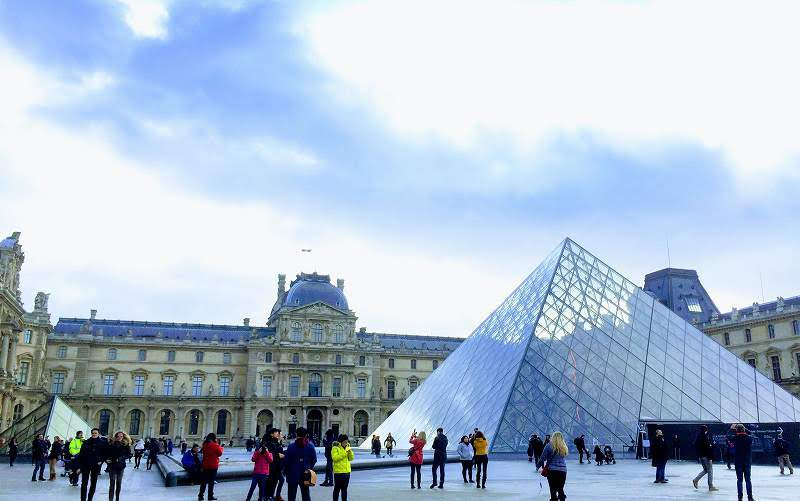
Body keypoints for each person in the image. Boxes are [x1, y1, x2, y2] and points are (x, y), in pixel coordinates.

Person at [283, 427, 317, 501]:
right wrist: (309, 467)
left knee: (291, 495)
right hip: (306, 473)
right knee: (306, 494)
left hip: (293, 473)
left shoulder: (291, 446)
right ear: (306, 435)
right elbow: (314, 459)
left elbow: (286, 461)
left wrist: (286, 471)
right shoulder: (310, 446)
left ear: (296, 434)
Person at [536, 431, 568, 501]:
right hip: (563, 471)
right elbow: (565, 455)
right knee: (560, 489)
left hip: (552, 470)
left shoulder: (549, 445)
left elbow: (542, 457)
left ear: (553, 437)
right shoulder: (564, 446)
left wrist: (538, 466)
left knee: (553, 489)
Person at [78, 428, 108, 501]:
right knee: (84, 483)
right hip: (85, 464)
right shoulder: (86, 442)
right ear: (91, 434)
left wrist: (101, 461)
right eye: (93, 433)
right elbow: (81, 453)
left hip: (96, 465)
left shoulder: (102, 442)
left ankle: (90, 499)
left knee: (93, 483)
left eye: (95, 433)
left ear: (98, 434)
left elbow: (105, 454)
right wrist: (79, 465)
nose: (94, 434)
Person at [106, 432, 131, 501]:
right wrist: (107, 459)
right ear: (116, 436)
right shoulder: (111, 444)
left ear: (123, 437)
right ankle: (110, 499)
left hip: (121, 466)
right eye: (118, 436)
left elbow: (129, 455)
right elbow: (106, 453)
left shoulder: (126, 445)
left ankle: (117, 498)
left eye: (121, 436)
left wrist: (121, 458)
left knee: (119, 483)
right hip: (112, 465)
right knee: (112, 483)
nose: (119, 437)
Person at [693, 425, 718, 491]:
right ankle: (710, 486)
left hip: (701, 456)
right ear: (706, 430)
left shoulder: (698, 437)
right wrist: (711, 446)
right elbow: (708, 447)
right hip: (706, 456)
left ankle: (696, 480)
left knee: (706, 470)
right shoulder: (705, 437)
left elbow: (696, 446)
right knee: (710, 471)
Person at [199, 433, 224, 501]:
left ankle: (200, 496)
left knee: (203, 482)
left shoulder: (205, 444)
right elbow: (220, 453)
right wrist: (220, 446)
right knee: (211, 482)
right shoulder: (215, 445)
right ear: (214, 438)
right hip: (213, 465)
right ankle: (210, 496)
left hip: (205, 465)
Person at [734, 424, 755, 501]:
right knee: (748, 480)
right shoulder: (749, 438)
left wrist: (731, 429)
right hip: (747, 461)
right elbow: (752, 434)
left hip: (738, 461)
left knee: (739, 480)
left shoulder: (735, 438)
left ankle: (740, 497)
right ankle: (750, 497)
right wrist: (745, 429)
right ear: (744, 430)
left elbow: (727, 436)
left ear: (737, 430)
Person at [265, 428, 286, 501]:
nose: (278, 434)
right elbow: (267, 454)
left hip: (277, 467)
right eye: (276, 432)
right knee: (271, 482)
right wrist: (278, 455)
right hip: (271, 467)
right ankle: (268, 496)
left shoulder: (277, 443)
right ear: (271, 434)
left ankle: (272, 495)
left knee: (276, 481)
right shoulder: (269, 443)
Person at [331, 434, 354, 501]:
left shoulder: (348, 447)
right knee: (337, 489)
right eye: (345, 442)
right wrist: (345, 453)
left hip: (347, 472)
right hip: (338, 472)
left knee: (344, 489)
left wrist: (350, 452)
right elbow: (335, 458)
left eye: (347, 441)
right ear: (341, 442)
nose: (346, 443)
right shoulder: (335, 448)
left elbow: (351, 459)